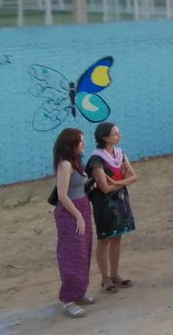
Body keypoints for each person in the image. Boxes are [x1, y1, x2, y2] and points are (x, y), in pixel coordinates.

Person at [86, 123, 138, 296]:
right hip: (104, 204)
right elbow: (104, 188)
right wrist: (121, 182)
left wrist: (116, 183)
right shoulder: (97, 159)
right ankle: (105, 278)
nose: (119, 136)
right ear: (104, 137)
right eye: (115, 134)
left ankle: (115, 275)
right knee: (105, 239)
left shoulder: (119, 153)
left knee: (117, 237)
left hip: (120, 199)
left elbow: (134, 176)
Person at [52, 128, 93, 318]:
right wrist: (77, 215)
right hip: (71, 211)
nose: (83, 144)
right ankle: (68, 299)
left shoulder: (77, 163)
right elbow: (62, 195)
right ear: (71, 145)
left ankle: (80, 290)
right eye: (80, 141)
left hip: (83, 206)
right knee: (72, 253)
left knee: (84, 250)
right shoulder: (66, 165)